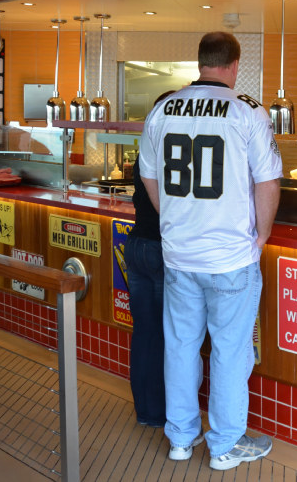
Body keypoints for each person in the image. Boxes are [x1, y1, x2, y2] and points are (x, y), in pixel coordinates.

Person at [138, 32, 282, 472]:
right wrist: (261, 235)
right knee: (229, 351)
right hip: (230, 257)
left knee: (180, 347)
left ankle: (181, 439)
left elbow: (148, 176)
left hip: (179, 255)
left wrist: (174, 220)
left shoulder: (163, 109)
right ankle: (224, 445)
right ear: (234, 65)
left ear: (200, 62)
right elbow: (268, 183)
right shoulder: (247, 111)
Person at [124, 89, 174, 428]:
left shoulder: (147, 149)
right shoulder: (175, 152)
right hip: (161, 249)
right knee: (164, 334)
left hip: (136, 245)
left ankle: (145, 410)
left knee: (144, 331)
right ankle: (160, 413)